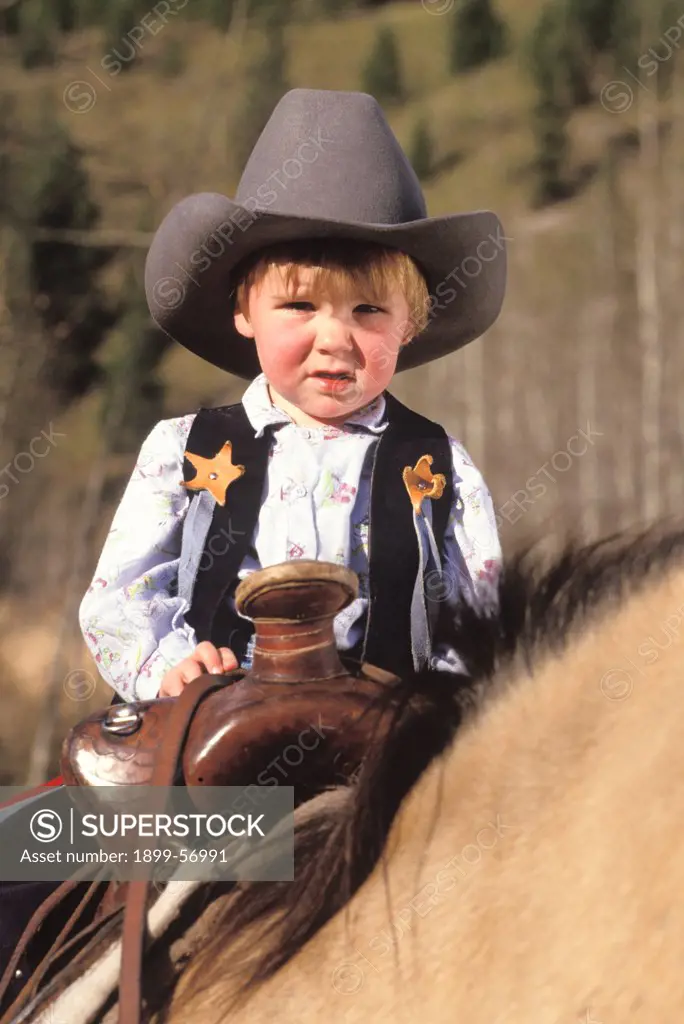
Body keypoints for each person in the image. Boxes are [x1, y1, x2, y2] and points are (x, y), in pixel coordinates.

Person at [79, 88, 506, 703]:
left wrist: (442, 703)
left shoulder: (439, 467)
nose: (334, 338)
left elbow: (477, 622)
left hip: (388, 731)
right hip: (213, 715)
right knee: (101, 784)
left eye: (368, 310)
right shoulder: (182, 449)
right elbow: (123, 594)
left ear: (409, 324)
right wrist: (169, 665)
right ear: (244, 311)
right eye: (299, 306)